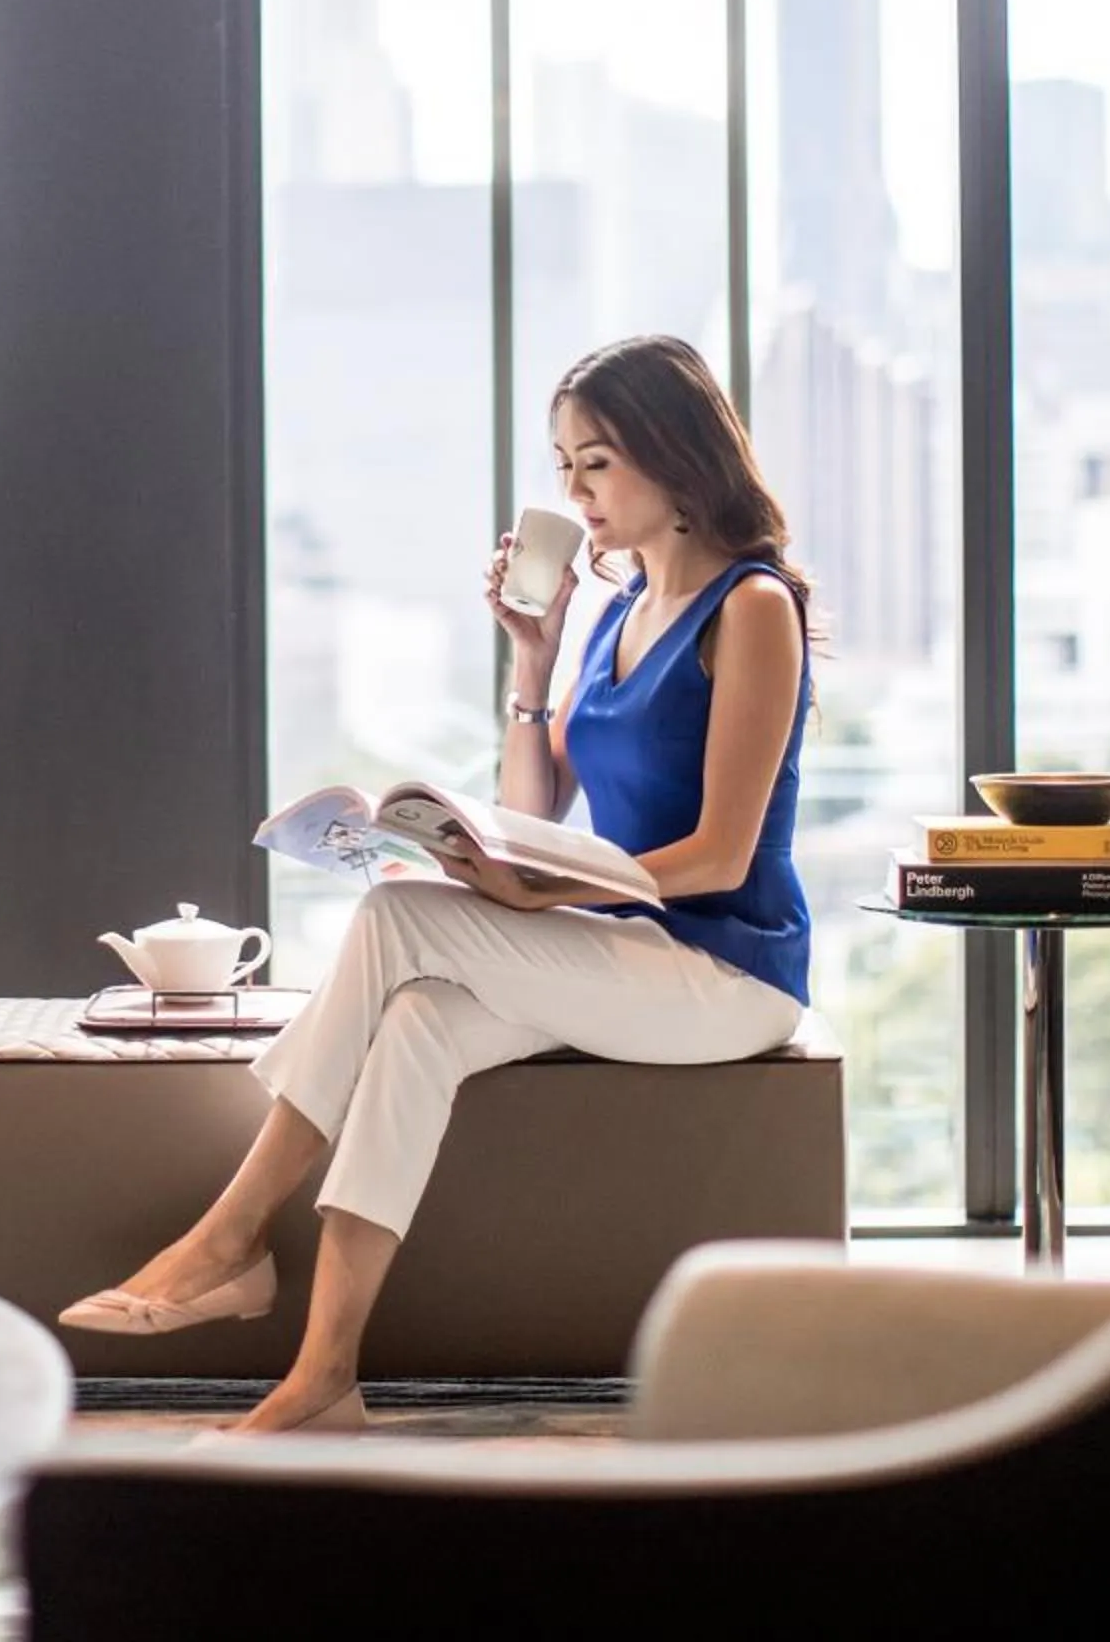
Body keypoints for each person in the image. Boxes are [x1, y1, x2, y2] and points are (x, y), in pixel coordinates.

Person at [59, 333, 817, 1434]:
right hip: (625, 954)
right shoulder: (614, 612)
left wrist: (538, 898)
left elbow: (720, 856)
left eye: (597, 462)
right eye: (564, 465)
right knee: (416, 1017)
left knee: (401, 913)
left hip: (724, 971)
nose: (574, 492)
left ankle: (230, 1235)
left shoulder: (752, 607)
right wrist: (530, 657)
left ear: (674, 451)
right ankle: (323, 1377)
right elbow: (536, 810)